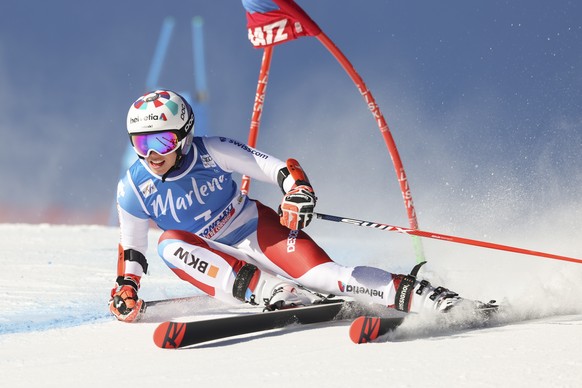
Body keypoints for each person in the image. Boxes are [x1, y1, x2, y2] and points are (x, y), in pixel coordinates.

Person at [109, 89, 470, 323]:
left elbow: (278, 168)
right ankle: (271, 292)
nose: (152, 154)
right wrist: (128, 287)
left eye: (162, 140)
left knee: (328, 277)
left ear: (184, 135)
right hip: (215, 261)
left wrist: (297, 191)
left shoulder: (212, 151)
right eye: (141, 144)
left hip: (256, 230)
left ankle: (431, 299)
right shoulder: (133, 188)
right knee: (169, 244)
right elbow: (132, 248)